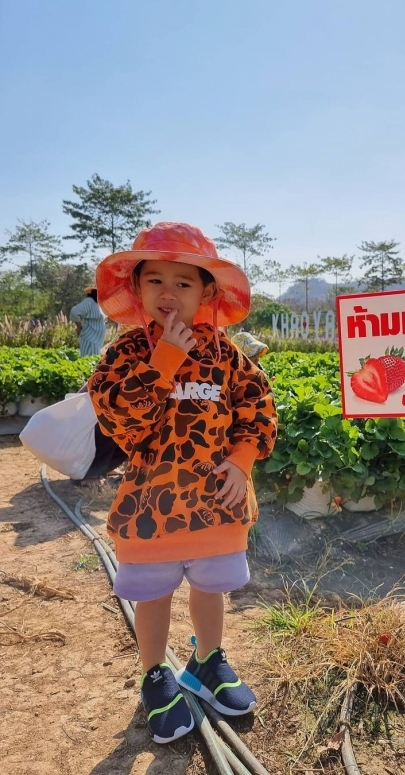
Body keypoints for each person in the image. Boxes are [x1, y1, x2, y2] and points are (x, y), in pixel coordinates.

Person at [88, 222, 278, 744]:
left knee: (210, 583)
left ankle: (206, 661)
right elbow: (121, 418)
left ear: (209, 292)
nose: (168, 293)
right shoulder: (126, 355)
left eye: (184, 282)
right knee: (153, 589)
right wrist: (163, 360)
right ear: (137, 289)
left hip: (218, 503)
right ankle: (155, 674)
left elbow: (258, 411)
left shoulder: (228, 356)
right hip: (153, 504)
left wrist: (241, 460)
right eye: (155, 281)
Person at [69, 287, 107, 356]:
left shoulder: (98, 304)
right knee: (90, 362)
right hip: (90, 339)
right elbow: (74, 312)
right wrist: (79, 327)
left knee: (94, 362)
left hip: (96, 341)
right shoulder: (89, 301)